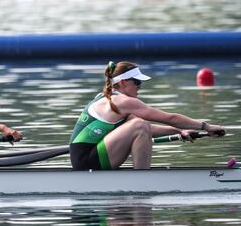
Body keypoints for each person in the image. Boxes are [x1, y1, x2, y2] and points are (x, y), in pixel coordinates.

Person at [70, 61, 226, 170]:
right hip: (87, 161)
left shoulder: (108, 98)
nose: (140, 87)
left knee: (140, 125)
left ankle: (141, 177)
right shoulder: (122, 102)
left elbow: (148, 129)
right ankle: (142, 179)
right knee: (140, 125)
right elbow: (168, 118)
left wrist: (179, 131)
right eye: (137, 83)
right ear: (123, 82)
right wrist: (207, 126)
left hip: (86, 158)